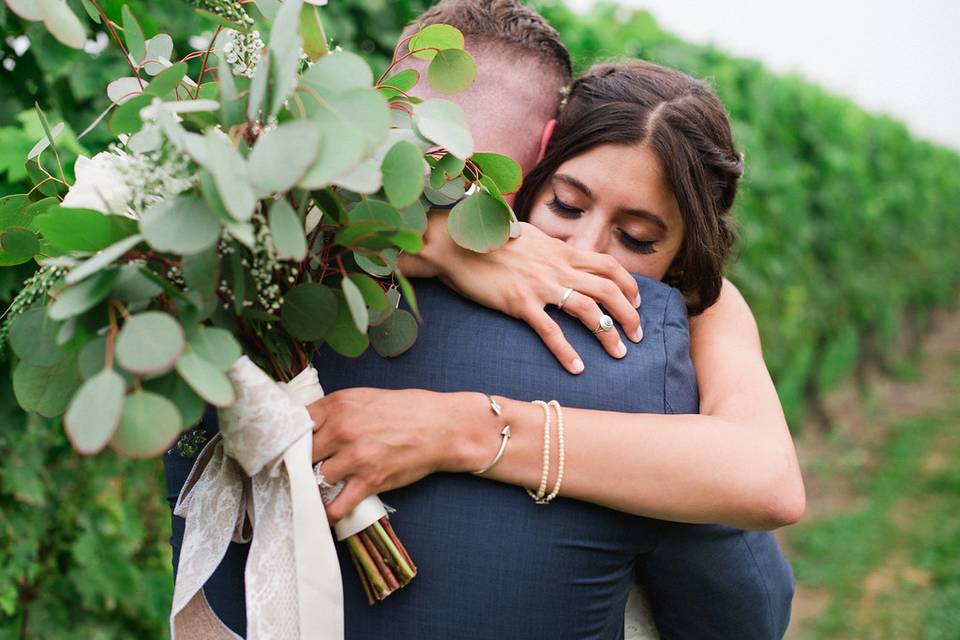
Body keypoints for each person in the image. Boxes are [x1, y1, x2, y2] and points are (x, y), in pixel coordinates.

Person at [164, 1, 802, 638]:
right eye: (566, 205)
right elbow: (746, 609)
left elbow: (769, 480)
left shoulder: (216, 285)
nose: (580, 254)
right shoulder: (251, 260)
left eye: (635, 238)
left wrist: (465, 428)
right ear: (538, 166)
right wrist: (447, 240)